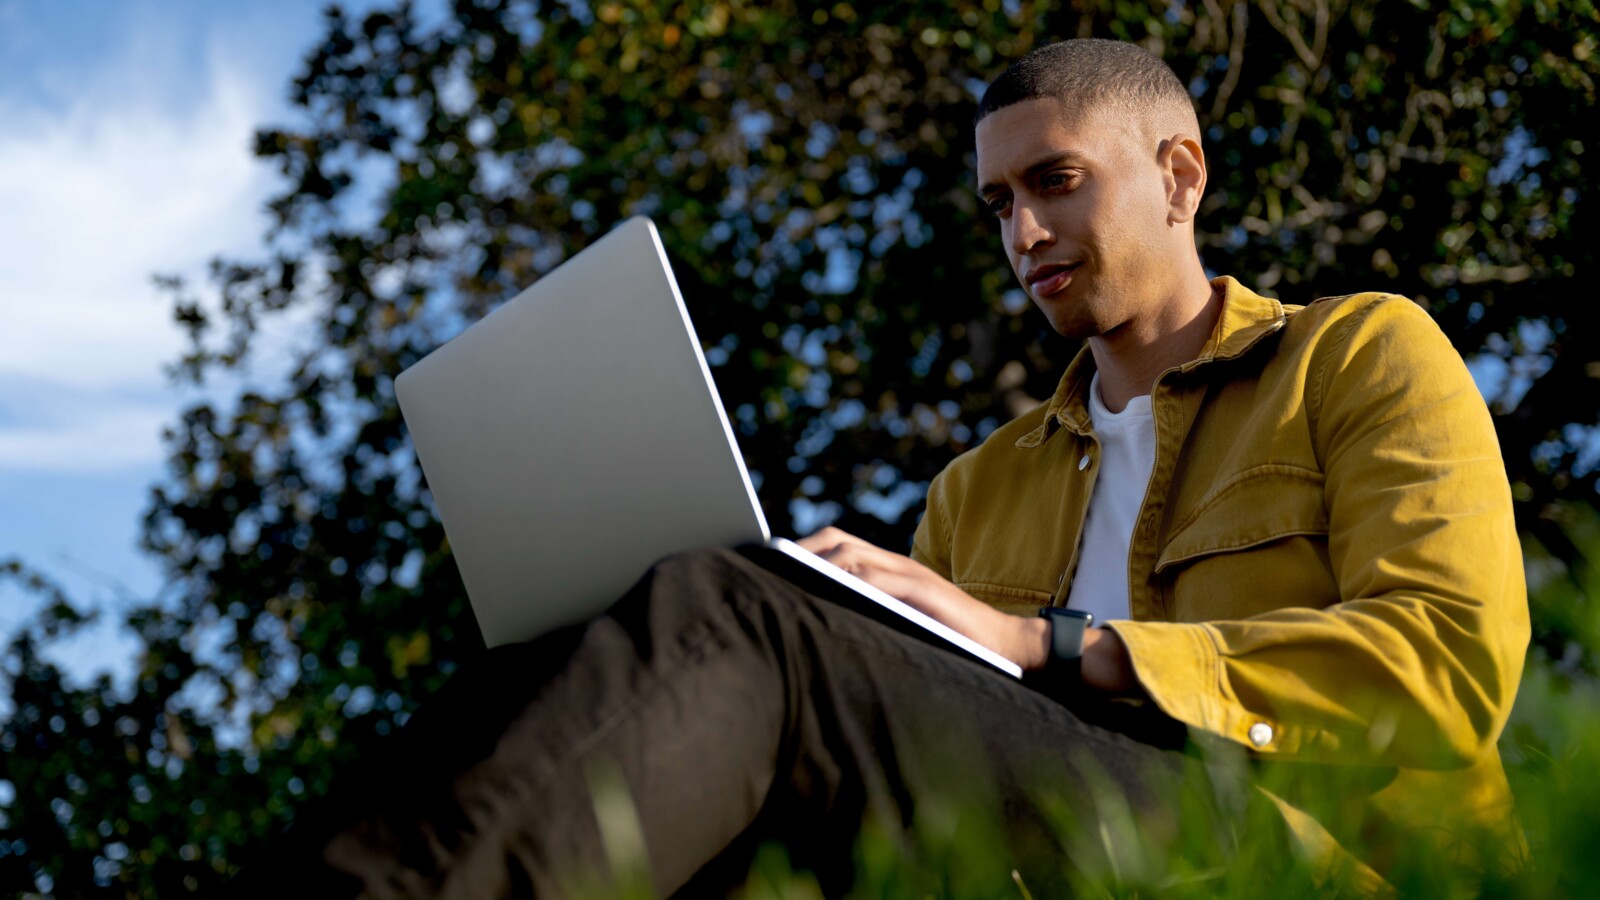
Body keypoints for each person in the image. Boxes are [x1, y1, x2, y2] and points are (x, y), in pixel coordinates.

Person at [244, 39, 1528, 897]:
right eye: (996, 205)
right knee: (642, 675)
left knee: (745, 613)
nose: (1022, 233)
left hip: (1286, 867)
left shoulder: (1357, 354)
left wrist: (1044, 644)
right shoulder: (978, 490)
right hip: (1041, 854)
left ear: (1178, 174)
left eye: (1056, 183)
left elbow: (1444, 663)